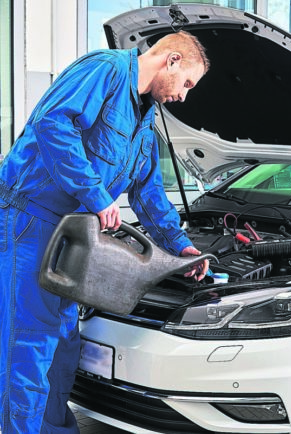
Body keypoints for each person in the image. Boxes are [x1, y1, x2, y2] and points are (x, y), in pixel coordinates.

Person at [0, 30, 210, 433]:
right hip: (31, 222)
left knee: (63, 347)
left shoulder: (144, 120)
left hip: (73, 237)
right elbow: (53, 123)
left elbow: (147, 191)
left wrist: (179, 245)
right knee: (28, 344)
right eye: (187, 83)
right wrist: (95, 194)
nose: (184, 95)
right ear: (171, 60)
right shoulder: (105, 70)